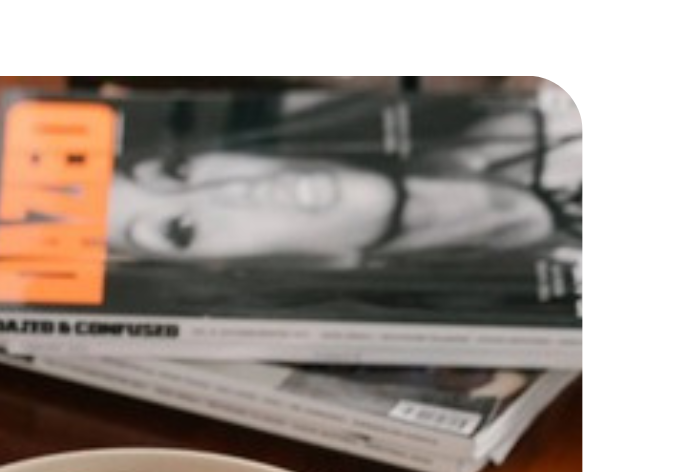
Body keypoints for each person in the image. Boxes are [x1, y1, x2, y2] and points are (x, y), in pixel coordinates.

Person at [89, 83, 583, 323]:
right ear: (224, 269)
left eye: (177, 172)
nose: (224, 190)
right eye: (181, 229)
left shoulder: (538, 112)